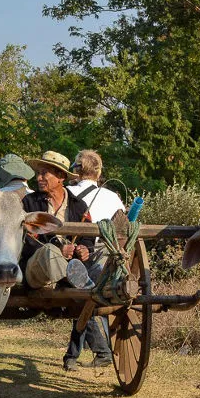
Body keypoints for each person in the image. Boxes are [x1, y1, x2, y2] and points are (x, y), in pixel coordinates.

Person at [62, 150, 127, 371]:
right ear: (98, 172)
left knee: (83, 296)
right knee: (86, 296)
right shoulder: (112, 197)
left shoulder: (66, 193)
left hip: (75, 254)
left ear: (76, 170)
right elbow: (123, 228)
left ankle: (100, 351)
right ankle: (72, 356)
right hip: (109, 261)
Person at [20, 151, 95, 292]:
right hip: (36, 271)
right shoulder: (29, 203)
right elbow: (25, 240)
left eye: (44, 174)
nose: (38, 178)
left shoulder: (79, 206)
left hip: (72, 266)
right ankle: (81, 286)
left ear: (61, 176)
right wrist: (59, 250)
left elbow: (88, 238)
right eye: (38, 174)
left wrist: (84, 249)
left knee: (103, 254)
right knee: (50, 251)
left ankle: (76, 282)